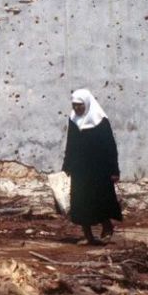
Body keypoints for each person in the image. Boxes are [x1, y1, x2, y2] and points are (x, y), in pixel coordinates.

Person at [62, 89, 122, 245]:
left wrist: (114, 170)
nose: (77, 109)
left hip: (99, 168)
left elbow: (110, 146)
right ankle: (88, 235)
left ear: (87, 103)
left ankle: (107, 227)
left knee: (100, 199)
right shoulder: (73, 120)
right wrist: (67, 165)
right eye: (74, 105)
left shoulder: (101, 121)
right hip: (80, 168)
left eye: (80, 105)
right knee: (81, 200)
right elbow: (71, 143)